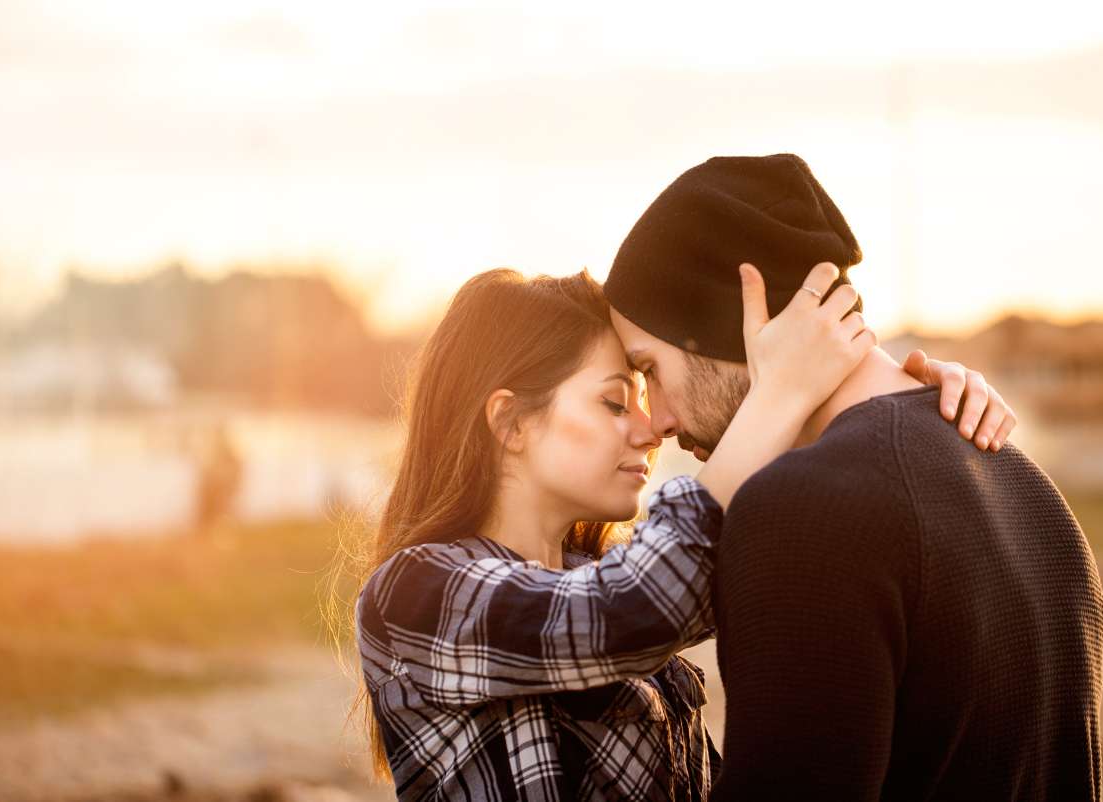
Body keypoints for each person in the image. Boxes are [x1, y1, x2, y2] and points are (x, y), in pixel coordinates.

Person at [352, 260, 1013, 800]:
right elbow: (634, 608)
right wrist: (776, 393)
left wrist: (909, 408)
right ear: (511, 423)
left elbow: (806, 556)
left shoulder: (616, 571)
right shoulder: (415, 595)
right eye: (614, 401)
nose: (649, 429)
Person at [604, 153, 1103, 800]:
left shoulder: (801, 511)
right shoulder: (1027, 485)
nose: (659, 419)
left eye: (649, 369)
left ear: (730, 324)